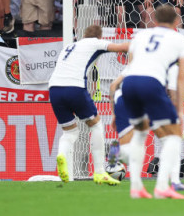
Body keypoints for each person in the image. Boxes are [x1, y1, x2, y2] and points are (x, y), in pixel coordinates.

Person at [121, 4, 184, 199]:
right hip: (150, 83)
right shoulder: (180, 40)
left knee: (140, 133)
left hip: (129, 82)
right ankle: (161, 186)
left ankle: (136, 187)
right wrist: (180, 110)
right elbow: (181, 76)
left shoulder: (140, 35)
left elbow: (131, 62)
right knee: (174, 135)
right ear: (177, 21)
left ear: (155, 19)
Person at [49, 24, 129, 185]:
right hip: (74, 87)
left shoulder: (69, 46)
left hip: (54, 89)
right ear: (99, 36)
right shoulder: (95, 43)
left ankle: (62, 157)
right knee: (96, 125)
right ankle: (99, 172)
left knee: (69, 133)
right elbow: (124, 46)